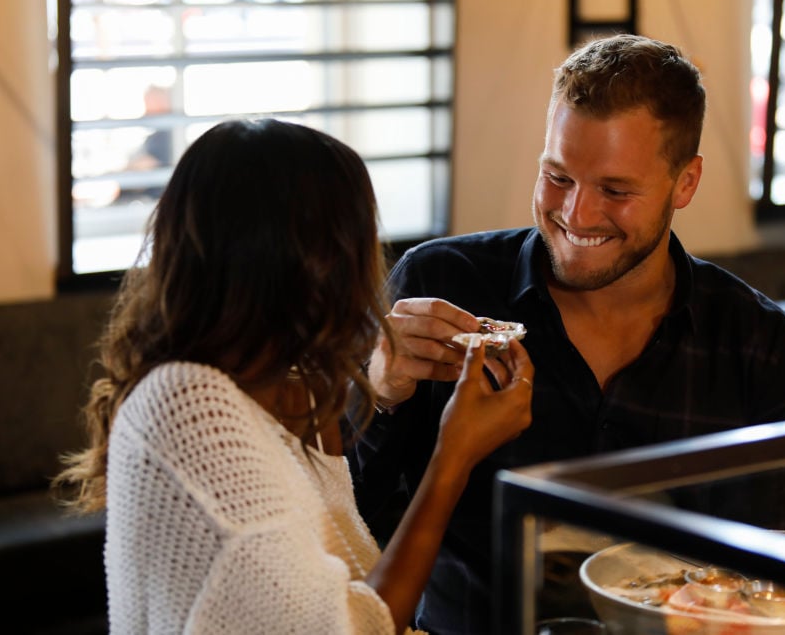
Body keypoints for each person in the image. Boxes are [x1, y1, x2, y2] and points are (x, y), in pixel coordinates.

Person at [349, 34, 785, 635]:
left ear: (685, 184)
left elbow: (775, 574)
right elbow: (339, 519)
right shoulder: (441, 284)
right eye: (558, 176)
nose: (577, 214)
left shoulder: (757, 342)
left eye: (616, 191)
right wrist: (381, 392)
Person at [53, 118, 534, 634]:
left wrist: (384, 388)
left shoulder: (293, 387)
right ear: (316, 262)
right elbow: (351, 624)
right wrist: (454, 457)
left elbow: (341, 558)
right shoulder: (188, 405)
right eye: (360, 241)